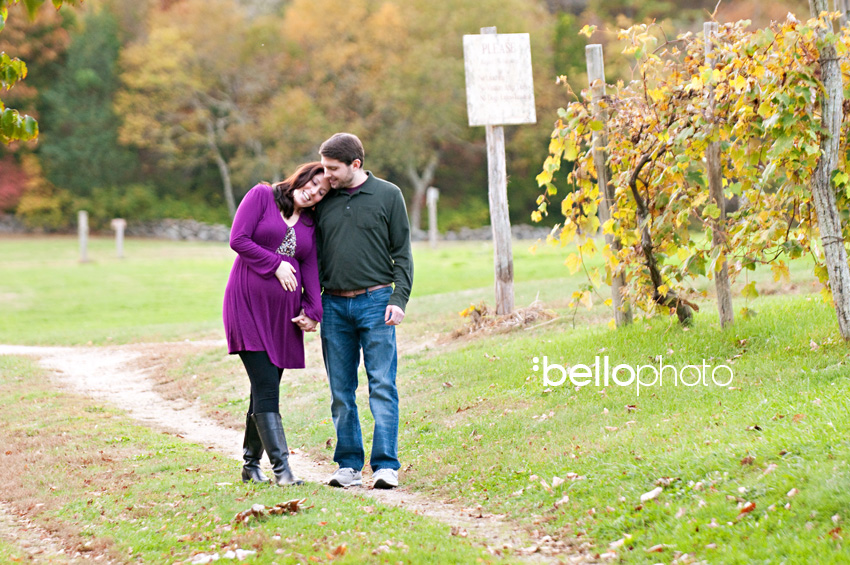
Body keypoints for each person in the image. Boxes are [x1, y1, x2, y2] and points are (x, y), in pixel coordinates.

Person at [312, 133, 413, 489]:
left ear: (355, 164)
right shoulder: (323, 201)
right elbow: (311, 257)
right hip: (333, 305)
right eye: (324, 167)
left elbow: (402, 254)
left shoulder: (389, 195)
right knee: (341, 389)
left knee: (382, 384)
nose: (326, 175)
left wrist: (398, 300)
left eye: (332, 168)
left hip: (376, 302)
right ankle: (349, 465)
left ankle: (386, 466)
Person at [223, 162, 329, 486]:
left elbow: (310, 268)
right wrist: (276, 265)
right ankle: (283, 472)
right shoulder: (262, 196)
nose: (314, 192)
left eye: (322, 192)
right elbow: (238, 239)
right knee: (266, 385)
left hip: (283, 318)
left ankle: (250, 465)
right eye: (313, 183)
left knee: (263, 389)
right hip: (247, 307)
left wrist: (313, 310)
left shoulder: (309, 225)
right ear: (302, 176)